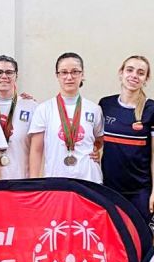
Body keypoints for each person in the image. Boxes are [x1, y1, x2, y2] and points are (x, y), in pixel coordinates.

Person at [28, 52, 103, 182]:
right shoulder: (44, 109)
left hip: (89, 179)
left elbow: (99, 139)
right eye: (64, 72)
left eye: (75, 72)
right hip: (56, 179)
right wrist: (34, 182)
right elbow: (36, 150)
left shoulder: (94, 109)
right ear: (57, 75)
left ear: (82, 74)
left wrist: (96, 149)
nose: (69, 77)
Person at [100, 55, 154, 225]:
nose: (134, 76)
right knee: (114, 235)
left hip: (140, 191)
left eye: (141, 73)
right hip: (109, 188)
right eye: (130, 70)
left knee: (142, 237)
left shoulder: (151, 109)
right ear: (121, 73)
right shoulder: (105, 104)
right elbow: (95, 139)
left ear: (146, 79)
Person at [0, 55, 37, 179]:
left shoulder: (31, 106)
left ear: (16, 76)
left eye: (9, 72)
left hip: (21, 178)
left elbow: (38, 148)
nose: (4, 76)